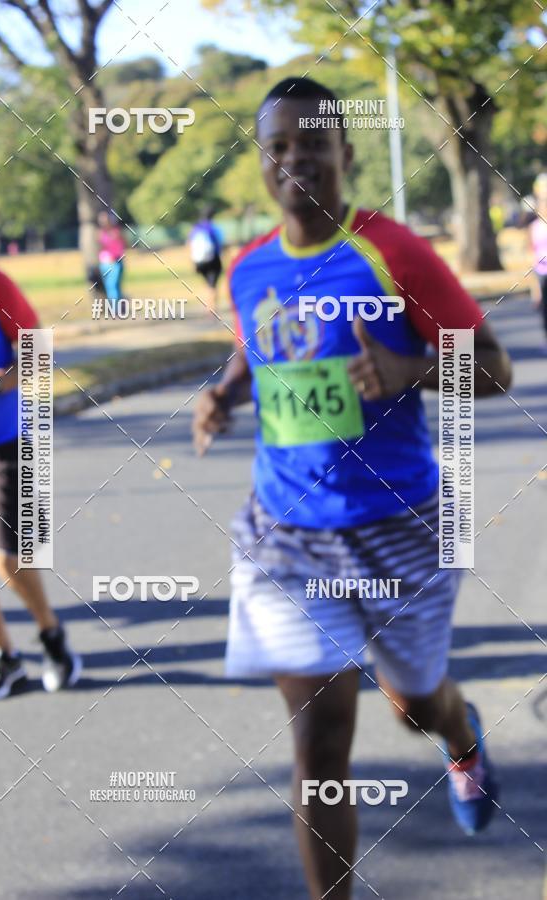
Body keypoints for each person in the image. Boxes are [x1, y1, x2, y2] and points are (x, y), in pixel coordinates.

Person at [192, 78, 512, 899]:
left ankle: (461, 737)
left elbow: (495, 368)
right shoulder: (251, 269)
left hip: (401, 525)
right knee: (321, 744)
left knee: (413, 705)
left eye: (312, 140)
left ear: (345, 152)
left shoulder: (392, 252)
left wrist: (409, 367)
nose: (295, 155)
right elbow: (259, 352)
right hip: (287, 533)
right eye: (278, 144)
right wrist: (224, 393)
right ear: (263, 160)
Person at [0, 199, 82, 700]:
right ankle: (4, 658)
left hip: (4, 439)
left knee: (4, 555)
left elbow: (41, 356)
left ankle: (51, 637)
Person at [188, 207, 224, 312]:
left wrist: (192, 262)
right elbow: (219, 244)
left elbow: (189, 245)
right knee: (213, 285)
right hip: (213, 260)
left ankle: (208, 306)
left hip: (199, 261)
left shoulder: (196, 228)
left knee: (208, 284)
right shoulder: (213, 228)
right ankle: (212, 309)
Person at [528, 174, 547, 339]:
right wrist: (535, 290)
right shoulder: (534, 227)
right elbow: (532, 255)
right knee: (544, 309)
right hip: (541, 273)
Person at [97, 211, 126, 308]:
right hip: (105, 263)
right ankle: (116, 308)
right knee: (110, 287)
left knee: (114, 286)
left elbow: (124, 244)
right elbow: (99, 247)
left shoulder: (116, 232)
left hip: (115, 262)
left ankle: (117, 309)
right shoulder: (100, 234)